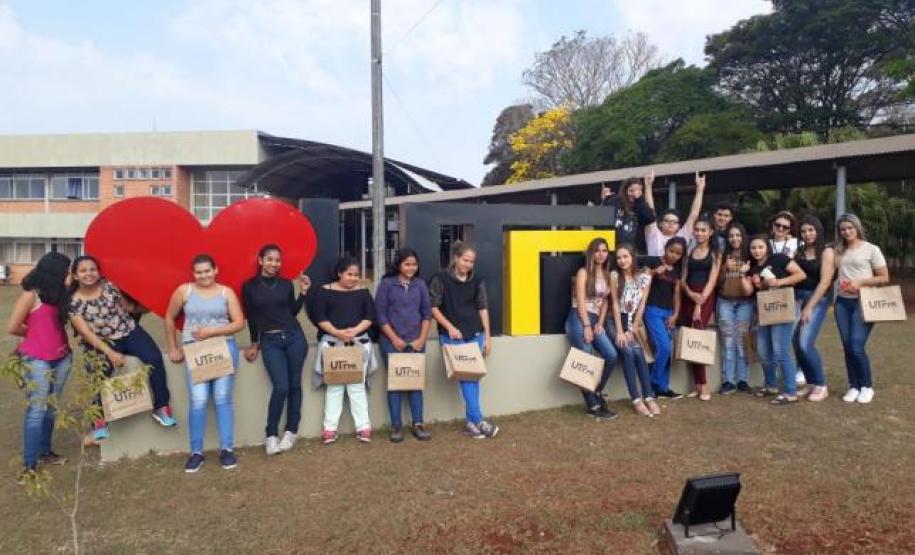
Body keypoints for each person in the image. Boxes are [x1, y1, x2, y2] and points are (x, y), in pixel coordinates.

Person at [69, 256, 177, 442]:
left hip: (129, 331)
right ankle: (99, 422)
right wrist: (110, 353)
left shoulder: (110, 286)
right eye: (83, 270)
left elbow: (128, 307)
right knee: (96, 374)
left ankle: (161, 407)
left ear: (99, 272)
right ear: (75, 275)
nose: (89, 274)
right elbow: (86, 333)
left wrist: (153, 304)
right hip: (102, 341)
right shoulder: (73, 303)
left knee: (154, 358)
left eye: (93, 269)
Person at [165, 254, 245, 472]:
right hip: (195, 351)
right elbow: (169, 317)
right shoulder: (184, 291)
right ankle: (196, 452)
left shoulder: (226, 292)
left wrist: (212, 331)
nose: (203, 275)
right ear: (193, 273)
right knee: (198, 399)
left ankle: (227, 449)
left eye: (207, 271)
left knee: (222, 398)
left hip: (223, 348)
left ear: (215, 270)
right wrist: (173, 347)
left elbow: (239, 323)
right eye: (199, 272)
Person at [8, 252, 72, 481]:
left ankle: (45, 452)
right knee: (36, 411)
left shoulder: (58, 294)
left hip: (62, 357)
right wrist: (34, 334)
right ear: (55, 271)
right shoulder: (31, 295)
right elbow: (13, 326)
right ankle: (29, 465)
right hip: (37, 359)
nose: (68, 273)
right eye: (66, 269)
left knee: (51, 408)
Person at [242, 244, 311, 456]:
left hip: (294, 337)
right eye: (270, 259)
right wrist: (255, 343)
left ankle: (291, 431)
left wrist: (303, 293)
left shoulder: (285, 285)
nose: (274, 264)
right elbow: (252, 317)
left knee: (294, 385)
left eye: (277, 260)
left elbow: (291, 311)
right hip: (270, 341)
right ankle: (271, 435)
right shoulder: (249, 286)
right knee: (281, 387)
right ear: (261, 260)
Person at [429, 241, 500, 438]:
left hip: (475, 334)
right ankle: (479, 420)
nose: (468, 264)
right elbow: (433, 306)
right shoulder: (440, 279)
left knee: (473, 378)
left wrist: (487, 336)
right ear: (456, 258)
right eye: (465, 260)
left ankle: (471, 423)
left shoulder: (477, 280)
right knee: (468, 378)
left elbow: (482, 306)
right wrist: (450, 327)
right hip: (452, 336)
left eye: (471, 261)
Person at [311, 257, 377, 444]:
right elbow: (320, 317)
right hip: (332, 344)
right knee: (334, 387)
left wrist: (355, 331)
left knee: (357, 386)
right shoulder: (324, 292)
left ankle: (363, 427)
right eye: (349, 274)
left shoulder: (363, 292)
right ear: (339, 273)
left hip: (358, 344)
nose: (353, 278)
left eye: (356, 275)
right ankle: (329, 429)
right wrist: (337, 333)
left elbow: (370, 316)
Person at [375, 248, 433, 442]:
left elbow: (426, 314)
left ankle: (418, 423)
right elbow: (380, 315)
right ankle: (396, 425)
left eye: (414, 264)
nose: (411, 268)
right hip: (392, 342)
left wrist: (421, 339)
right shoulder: (386, 285)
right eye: (407, 264)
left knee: (415, 383)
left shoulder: (421, 285)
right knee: (396, 384)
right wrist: (394, 339)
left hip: (416, 341)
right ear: (398, 264)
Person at [834, 214, 889, 404]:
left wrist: (861, 282)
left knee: (856, 345)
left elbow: (884, 277)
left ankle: (866, 386)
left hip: (863, 303)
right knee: (847, 346)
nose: (846, 231)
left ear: (857, 227)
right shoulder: (838, 251)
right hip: (842, 303)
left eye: (850, 227)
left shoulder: (871, 249)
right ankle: (853, 386)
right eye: (842, 229)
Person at [744, 235, 806, 405]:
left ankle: (790, 392)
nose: (756, 251)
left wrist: (778, 282)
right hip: (765, 310)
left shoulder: (779, 259)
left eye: (760, 247)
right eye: (753, 248)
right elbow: (749, 291)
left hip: (784, 306)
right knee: (763, 350)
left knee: (781, 350)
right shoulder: (752, 268)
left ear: (767, 248)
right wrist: (750, 278)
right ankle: (771, 385)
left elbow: (800, 275)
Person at [564, 238, 619, 421]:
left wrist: (600, 323)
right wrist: (587, 325)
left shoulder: (608, 274)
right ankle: (593, 405)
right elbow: (580, 300)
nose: (601, 254)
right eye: (597, 250)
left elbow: (605, 301)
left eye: (604, 250)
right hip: (578, 317)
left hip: (596, 319)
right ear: (591, 253)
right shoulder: (583, 272)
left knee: (611, 355)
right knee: (586, 355)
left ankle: (596, 391)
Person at [608, 244, 660, 417]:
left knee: (639, 354)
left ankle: (649, 396)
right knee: (628, 353)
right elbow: (615, 304)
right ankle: (636, 399)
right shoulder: (615, 276)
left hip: (634, 321)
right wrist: (621, 331)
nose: (622, 261)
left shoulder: (644, 276)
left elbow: (642, 303)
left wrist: (634, 328)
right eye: (618, 258)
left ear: (632, 256)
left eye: (625, 256)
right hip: (617, 320)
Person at [792, 216, 835, 402]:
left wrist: (808, 307)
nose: (807, 234)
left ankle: (821, 385)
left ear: (818, 230)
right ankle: (810, 383)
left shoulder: (827, 252)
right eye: (803, 231)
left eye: (810, 230)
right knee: (795, 341)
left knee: (804, 343)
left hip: (816, 299)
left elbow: (825, 282)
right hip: (797, 298)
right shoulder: (799, 251)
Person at [679, 215, 722, 400]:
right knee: (690, 339)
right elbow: (683, 278)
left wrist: (699, 302)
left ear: (711, 232)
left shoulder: (715, 253)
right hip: (689, 296)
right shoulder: (690, 252)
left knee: (698, 336)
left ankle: (704, 386)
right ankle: (697, 385)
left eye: (703, 230)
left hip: (704, 298)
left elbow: (712, 280)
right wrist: (689, 293)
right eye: (697, 229)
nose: (699, 233)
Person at [644, 236, 688, 399]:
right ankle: (654, 383)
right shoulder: (654, 261)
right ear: (665, 248)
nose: (674, 255)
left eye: (678, 253)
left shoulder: (677, 270)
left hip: (668, 313)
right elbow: (639, 279)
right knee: (664, 347)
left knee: (666, 351)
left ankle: (662, 388)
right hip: (652, 310)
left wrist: (675, 314)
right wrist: (655, 272)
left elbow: (677, 294)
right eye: (671, 251)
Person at [716, 222, 754, 394]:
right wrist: (725, 268)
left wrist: (744, 272)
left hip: (745, 302)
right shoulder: (723, 255)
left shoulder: (750, 254)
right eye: (731, 236)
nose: (734, 238)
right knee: (728, 341)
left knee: (741, 340)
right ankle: (728, 381)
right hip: (725, 301)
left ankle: (742, 380)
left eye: (738, 235)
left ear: (743, 236)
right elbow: (715, 281)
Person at [644, 171, 706, 256]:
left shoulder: (682, 236)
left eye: (674, 222)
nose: (670, 224)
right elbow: (649, 211)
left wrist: (700, 189)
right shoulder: (653, 234)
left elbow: (694, 215)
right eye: (667, 221)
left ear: (679, 226)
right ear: (660, 224)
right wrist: (648, 186)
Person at [600, 172, 656, 253]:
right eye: (631, 190)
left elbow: (650, 218)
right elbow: (602, 219)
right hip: (613, 249)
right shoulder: (615, 201)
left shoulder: (641, 206)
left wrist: (639, 199)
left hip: (632, 251)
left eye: (638, 190)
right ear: (625, 191)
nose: (634, 193)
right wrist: (605, 200)